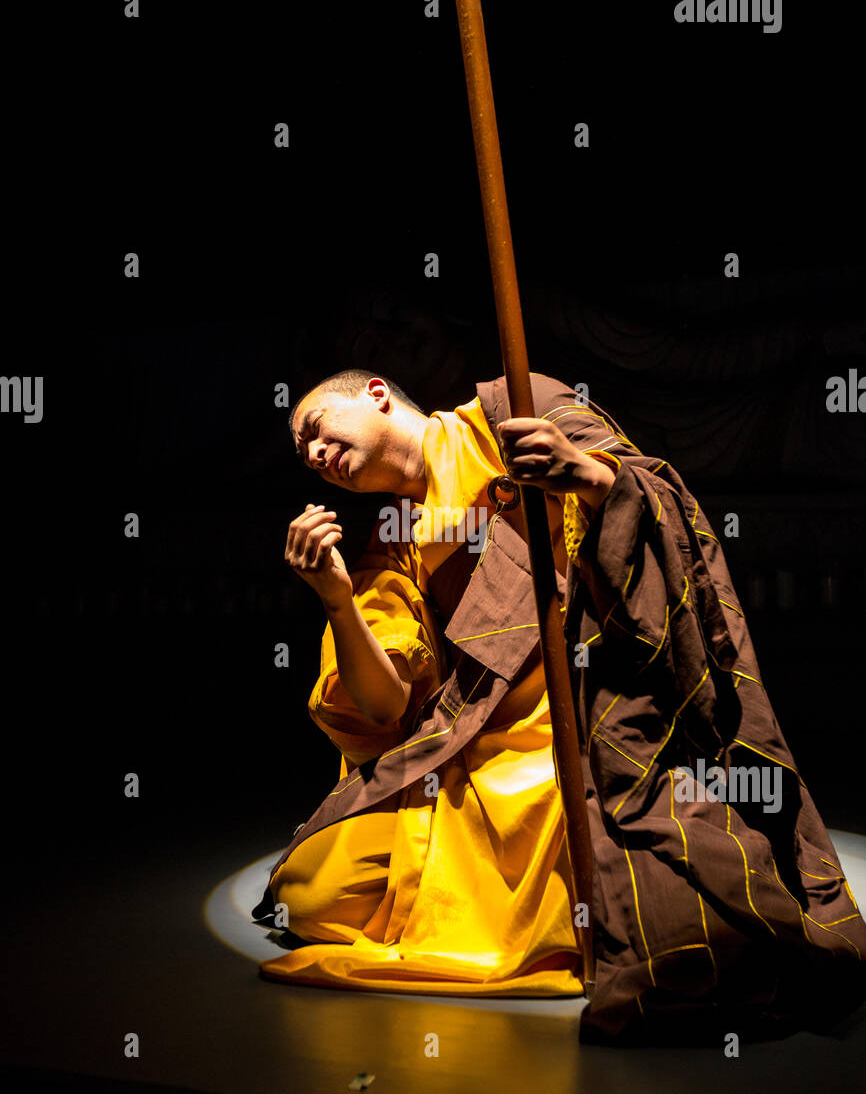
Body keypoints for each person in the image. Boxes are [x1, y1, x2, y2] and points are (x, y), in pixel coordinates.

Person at [252, 368, 866, 1044]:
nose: (313, 455)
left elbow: (657, 504)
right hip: (469, 741)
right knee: (313, 889)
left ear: (375, 393)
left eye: (315, 429)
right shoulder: (387, 547)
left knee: (636, 870)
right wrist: (337, 600)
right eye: (303, 454)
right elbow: (383, 707)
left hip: (585, 711)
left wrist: (592, 480)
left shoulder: (514, 407)